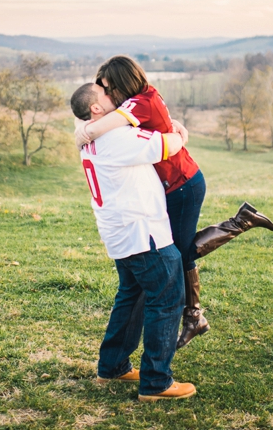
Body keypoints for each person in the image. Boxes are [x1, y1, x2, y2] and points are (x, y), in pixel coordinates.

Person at [76, 56, 273, 348]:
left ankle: (239, 225)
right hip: (176, 184)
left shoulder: (137, 103)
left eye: (107, 88)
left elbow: (95, 129)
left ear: (121, 83)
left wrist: (83, 133)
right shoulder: (140, 100)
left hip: (183, 184)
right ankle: (194, 317)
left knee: (179, 254)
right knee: (176, 254)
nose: (106, 95)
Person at [71, 81, 196, 401]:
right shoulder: (115, 136)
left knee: (132, 294)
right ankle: (157, 381)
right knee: (167, 298)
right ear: (97, 109)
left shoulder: (89, 133)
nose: (117, 98)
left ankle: (113, 366)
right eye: (107, 96)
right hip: (143, 231)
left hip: (118, 231)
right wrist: (179, 131)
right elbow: (167, 146)